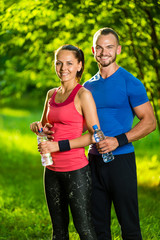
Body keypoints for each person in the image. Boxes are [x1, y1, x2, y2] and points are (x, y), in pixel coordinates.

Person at [82, 28, 156, 240]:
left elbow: (150, 122)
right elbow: (79, 124)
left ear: (118, 50)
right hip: (93, 161)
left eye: (109, 47)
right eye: (100, 47)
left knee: (129, 225)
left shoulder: (130, 82)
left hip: (121, 161)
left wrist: (118, 140)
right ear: (93, 50)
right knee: (97, 227)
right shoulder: (87, 87)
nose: (104, 52)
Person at [30, 44, 99, 240]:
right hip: (51, 170)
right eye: (59, 63)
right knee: (58, 231)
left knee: (84, 229)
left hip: (76, 171)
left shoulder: (83, 95)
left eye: (69, 63)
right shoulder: (51, 94)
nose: (63, 68)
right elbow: (45, 127)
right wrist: (37, 127)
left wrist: (57, 146)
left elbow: (95, 135)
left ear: (79, 65)